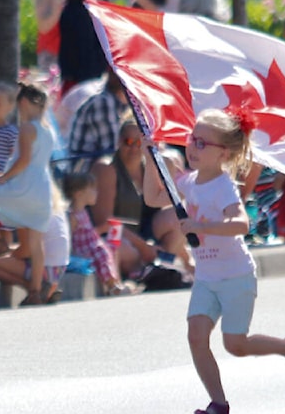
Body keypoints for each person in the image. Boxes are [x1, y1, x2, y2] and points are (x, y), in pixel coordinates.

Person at [145, 108, 285, 414]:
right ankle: (218, 404)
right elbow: (154, 197)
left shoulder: (223, 186)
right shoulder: (188, 181)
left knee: (235, 344)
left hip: (236, 275)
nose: (192, 147)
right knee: (197, 336)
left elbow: (240, 223)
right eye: (192, 139)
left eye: (201, 143)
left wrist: (202, 225)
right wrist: (150, 158)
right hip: (207, 278)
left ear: (222, 153)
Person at [0, 83, 56, 306]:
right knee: (37, 244)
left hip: (24, 186)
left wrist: (4, 177)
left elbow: (24, 160)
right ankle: (36, 291)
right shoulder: (48, 129)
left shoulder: (28, 128)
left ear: (24, 103)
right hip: (43, 189)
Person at [89, 121, 191, 280]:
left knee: (180, 214)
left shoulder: (150, 166)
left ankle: (161, 267)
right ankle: (149, 270)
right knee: (126, 250)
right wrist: (144, 248)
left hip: (144, 233)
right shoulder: (106, 168)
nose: (134, 148)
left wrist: (187, 261)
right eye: (128, 142)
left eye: (139, 143)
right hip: (116, 236)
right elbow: (104, 221)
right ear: (118, 141)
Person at [0, 181, 70, 305]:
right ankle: (44, 290)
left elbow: (26, 251)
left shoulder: (24, 209)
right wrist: (12, 252)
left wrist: (8, 255)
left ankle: (32, 289)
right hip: (58, 269)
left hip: (45, 269)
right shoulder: (53, 205)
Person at [62, 172, 136, 296]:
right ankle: (112, 287)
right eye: (92, 189)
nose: (96, 192)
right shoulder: (73, 215)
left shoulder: (84, 212)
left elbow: (89, 234)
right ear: (79, 194)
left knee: (111, 247)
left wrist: (104, 229)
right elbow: (69, 238)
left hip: (91, 246)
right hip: (82, 252)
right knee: (102, 252)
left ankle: (116, 283)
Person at [58, 0, 114, 92]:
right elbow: (88, 59)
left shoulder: (70, 9)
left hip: (72, 86)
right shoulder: (91, 12)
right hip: (89, 87)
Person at [67, 69, 129, 164]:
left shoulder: (122, 105)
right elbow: (112, 149)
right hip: (84, 174)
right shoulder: (103, 103)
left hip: (104, 171)